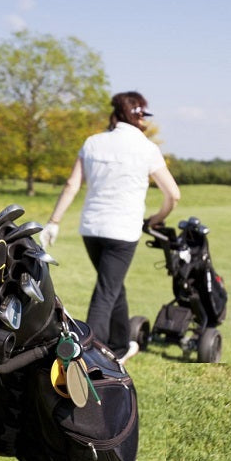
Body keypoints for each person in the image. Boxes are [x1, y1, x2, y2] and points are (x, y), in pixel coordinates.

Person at [40, 91, 181, 362]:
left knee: (113, 284)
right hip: (123, 232)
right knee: (106, 290)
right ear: (138, 116)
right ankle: (89, 357)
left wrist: (53, 222)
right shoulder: (147, 148)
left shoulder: (92, 142)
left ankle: (119, 344)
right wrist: (157, 218)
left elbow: (72, 185)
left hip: (91, 230)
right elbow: (173, 194)